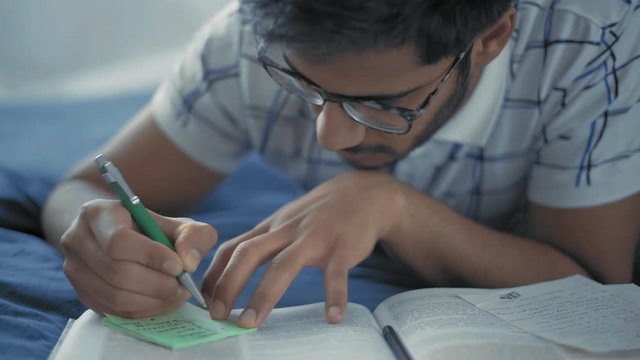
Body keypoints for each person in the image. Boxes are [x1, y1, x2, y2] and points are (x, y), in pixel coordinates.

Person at [42, 0, 640, 329]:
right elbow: (86, 187)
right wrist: (97, 235)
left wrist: (394, 207)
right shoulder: (250, 39)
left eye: (383, 105)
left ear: (490, 38)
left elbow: (595, 290)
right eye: (301, 84)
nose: (331, 136)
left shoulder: (593, 50)